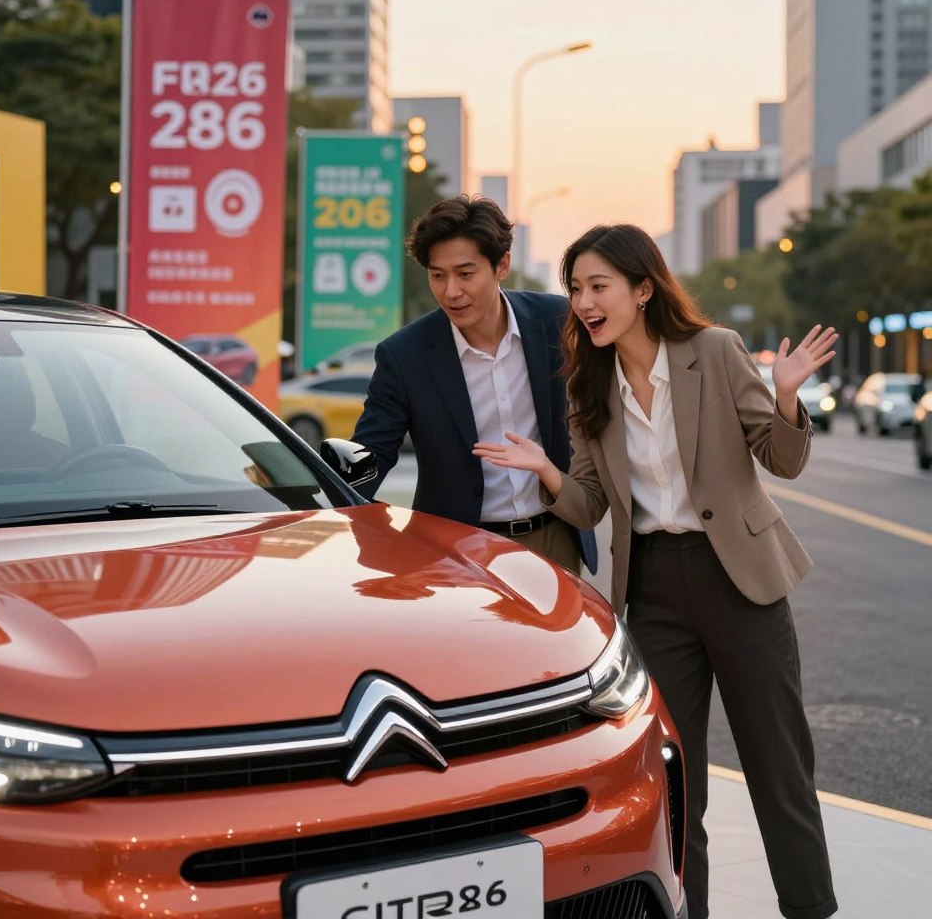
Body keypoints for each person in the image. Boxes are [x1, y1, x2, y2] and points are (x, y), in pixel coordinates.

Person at [473, 222, 838, 919]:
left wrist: (786, 396)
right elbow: (587, 507)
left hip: (742, 583)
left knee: (779, 769)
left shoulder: (715, 352)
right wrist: (546, 470)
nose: (583, 301)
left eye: (598, 286)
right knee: (676, 781)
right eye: (576, 288)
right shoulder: (588, 381)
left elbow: (781, 460)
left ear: (643, 289)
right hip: (654, 591)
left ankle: (811, 908)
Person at [352, 194, 596, 575]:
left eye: (465, 274)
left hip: (555, 538)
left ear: (502, 265)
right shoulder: (404, 355)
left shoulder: (557, 321)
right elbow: (371, 455)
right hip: (456, 550)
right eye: (437, 275)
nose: (451, 291)